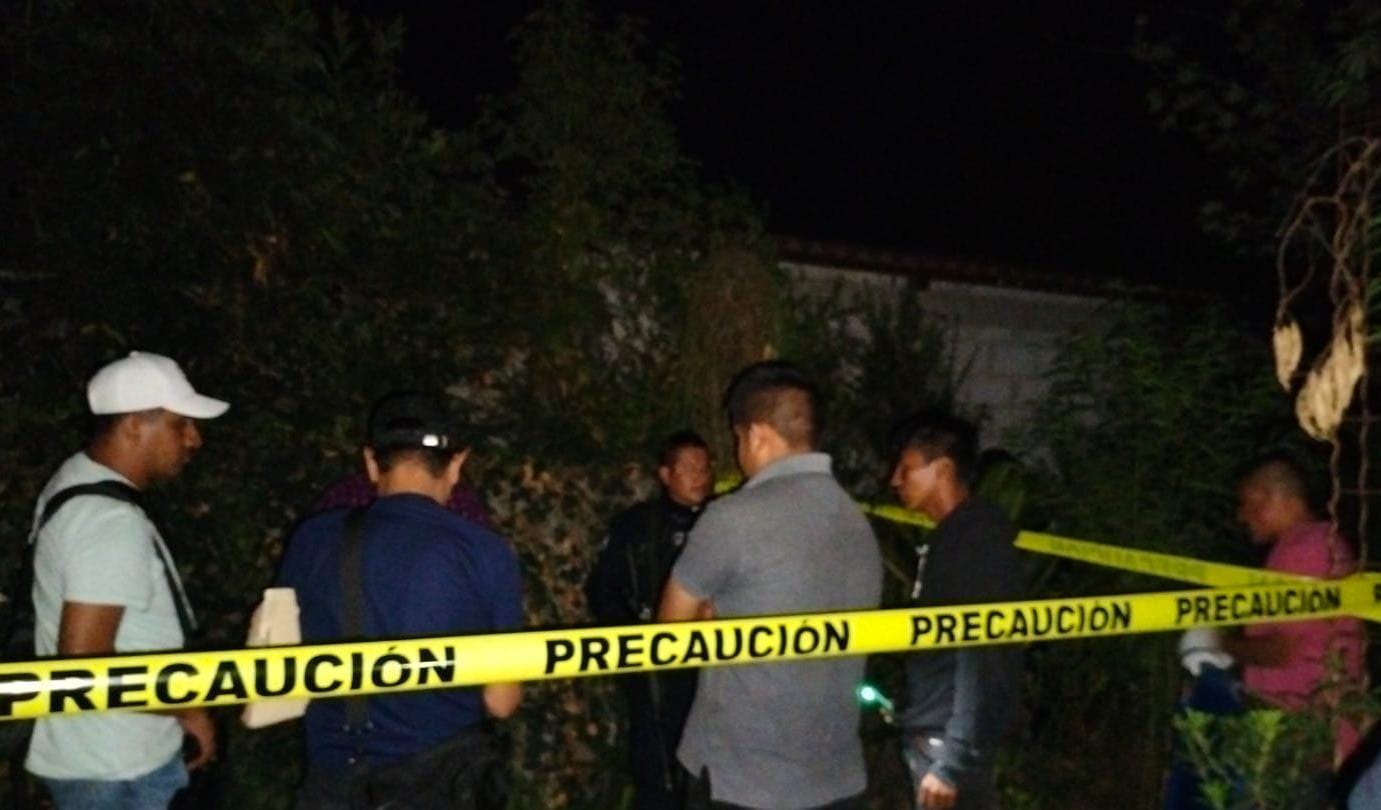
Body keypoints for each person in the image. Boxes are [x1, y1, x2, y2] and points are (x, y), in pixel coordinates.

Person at [276, 392, 523, 809]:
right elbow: (501, 702)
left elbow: (281, 649)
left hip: (332, 780)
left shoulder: (313, 538)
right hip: (439, 782)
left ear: (372, 463)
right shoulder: (484, 551)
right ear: (457, 464)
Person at [659, 361, 882, 810]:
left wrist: (713, 618)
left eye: (738, 438)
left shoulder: (732, 518)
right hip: (837, 779)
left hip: (742, 780)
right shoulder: (857, 522)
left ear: (758, 435)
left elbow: (669, 632)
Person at [26, 351, 226, 808]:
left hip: (99, 755)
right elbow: (84, 665)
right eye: (181, 424)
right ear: (134, 425)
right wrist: (186, 705)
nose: (194, 439)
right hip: (116, 773)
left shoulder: (75, 480)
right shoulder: (108, 520)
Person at [1164, 453, 1366, 810]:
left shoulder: (1304, 550)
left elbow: (1283, 650)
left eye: (1248, 503)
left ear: (1275, 497)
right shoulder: (1316, 545)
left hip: (1299, 734)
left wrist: (1217, 643)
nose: (1241, 516)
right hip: (1310, 729)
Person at [890, 413, 1024, 810]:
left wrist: (953, 761)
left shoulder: (974, 542)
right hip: (938, 733)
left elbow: (983, 652)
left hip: (946, 743)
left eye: (907, 469)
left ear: (943, 470)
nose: (895, 480)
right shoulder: (955, 536)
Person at [585, 430, 712, 810]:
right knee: (655, 768)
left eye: (704, 467)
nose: (700, 476)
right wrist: (635, 647)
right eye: (689, 468)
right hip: (654, 674)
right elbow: (603, 591)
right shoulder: (636, 526)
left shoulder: (722, 523)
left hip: (714, 672)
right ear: (665, 474)